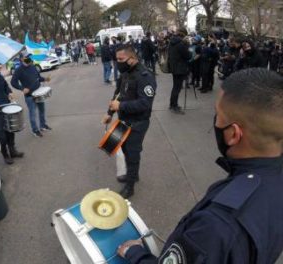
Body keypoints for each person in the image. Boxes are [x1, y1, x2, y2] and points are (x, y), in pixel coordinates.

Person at [117, 68, 283, 263]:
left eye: (218, 115)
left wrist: (135, 254)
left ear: (233, 134)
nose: (215, 122)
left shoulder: (216, 224)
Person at [102, 44, 157, 198]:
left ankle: (130, 186)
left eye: (121, 59)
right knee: (124, 150)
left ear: (132, 58)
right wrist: (110, 112)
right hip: (124, 121)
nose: (118, 62)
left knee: (133, 154)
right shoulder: (125, 72)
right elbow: (117, 94)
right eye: (117, 59)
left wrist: (121, 105)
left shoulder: (145, 76)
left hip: (138, 123)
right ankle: (133, 175)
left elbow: (145, 104)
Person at [11, 54, 52, 137]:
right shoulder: (18, 70)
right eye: (26, 57)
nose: (28, 59)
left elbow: (38, 77)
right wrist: (22, 88)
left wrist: (45, 79)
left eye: (29, 57)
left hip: (38, 92)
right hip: (29, 96)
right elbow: (13, 82)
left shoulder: (33, 66)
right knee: (33, 113)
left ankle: (43, 125)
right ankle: (35, 130)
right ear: (22, 59)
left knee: (42, 110)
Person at [167, 27, 191, 114]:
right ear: (183, 34)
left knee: (175, 87)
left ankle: (172, 104)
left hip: (174, 67)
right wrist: (188, 47)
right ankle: (174, 106)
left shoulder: (172, 41)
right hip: (180, 68)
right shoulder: (181, 43)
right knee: (177, 88)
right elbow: (188, 56)